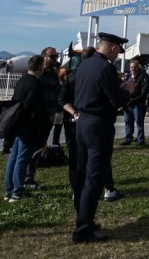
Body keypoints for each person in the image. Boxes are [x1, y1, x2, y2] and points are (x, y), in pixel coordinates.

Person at [71, 32, 132, 244]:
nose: (117, 56)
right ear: (113, 48)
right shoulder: (106, 68)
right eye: (118, 51)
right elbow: (115, 100)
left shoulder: (85, 64)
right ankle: (83, 229)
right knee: (94, 178)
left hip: (82, 123)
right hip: (98, 125)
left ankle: (82, 219)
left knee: (81, 175)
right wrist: (127, 91)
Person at [4, 54, 46, 202]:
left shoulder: (21, 80)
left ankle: (9, 190)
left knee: (13, 158)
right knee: (22, 159)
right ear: (41, 67)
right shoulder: (36, 84)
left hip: (17, 124)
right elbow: (30, 105)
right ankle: (17, 192)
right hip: (28, 125)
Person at [59, 46, 94, 203]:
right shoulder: (92, 74)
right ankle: (88, 186)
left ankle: (76, 188)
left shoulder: (72, 75)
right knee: (90, 155)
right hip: (88, 120)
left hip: (73, 120)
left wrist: (73, 112)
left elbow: (62, 99)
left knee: (75, 156)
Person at [24, 47, 61, 190]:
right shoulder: (36, 75)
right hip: (37, 118)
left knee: (39, 148)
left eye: (56, 57)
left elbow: (57, 94)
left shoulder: (52, 75)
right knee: (30, 149)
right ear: (43, 57)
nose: (55, 59)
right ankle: (26, 178)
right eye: (52, 57)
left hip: (48, 118)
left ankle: (29, 177)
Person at [121, 59, 149, 147]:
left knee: (139, 121)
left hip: (137, 103)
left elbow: (143, 92)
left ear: (138, 67)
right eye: (131, 67)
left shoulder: (143, 77)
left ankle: (140, 139)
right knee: (127, 121)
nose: (133, 69)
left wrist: (134, 100)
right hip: (127, 103)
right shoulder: (128, 76)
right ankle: (128, 138)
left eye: (134, 67)